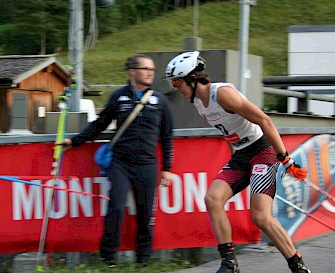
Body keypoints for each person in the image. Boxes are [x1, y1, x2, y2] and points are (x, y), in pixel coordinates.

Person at [165, 51, 311, 273]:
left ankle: (298, 266)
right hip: (242, 156)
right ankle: (229, 263)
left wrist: (285, 158)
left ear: (192, 78)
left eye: (177, 82)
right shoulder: (198, 102)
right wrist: (236, 156)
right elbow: (229, 131)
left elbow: (264, 119)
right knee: (212, 199)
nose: (176, 88)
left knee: (260, 217)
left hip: (263, 151)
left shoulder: (222, 95)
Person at [60, 54, 174, 267]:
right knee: (117, 208)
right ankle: (108, 258)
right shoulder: (118, 97)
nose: (150, 73)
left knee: (145, 215)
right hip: (120, 163)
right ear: (132, 72)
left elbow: (167, 137)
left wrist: (167, 168)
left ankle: (143, 261)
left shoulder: (161, 100)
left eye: (152, 69)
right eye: (145, 68)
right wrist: (75, 141)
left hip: (147, 165)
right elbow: (100, 124)